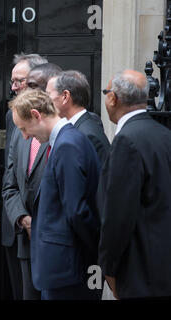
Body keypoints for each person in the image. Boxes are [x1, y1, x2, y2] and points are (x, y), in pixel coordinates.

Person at [9, 89, 101, 300]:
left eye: (24, 128)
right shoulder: (65, 141)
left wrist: (94, 253)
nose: (24, 136)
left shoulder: (67, 145)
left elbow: (77, 210)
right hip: (65, 266)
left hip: (69, 268)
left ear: (36, 114)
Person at [98, 70, 171, 300]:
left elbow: (118, 216)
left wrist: (108, 268)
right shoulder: (164, 134)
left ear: (113, 98)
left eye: (106, 92)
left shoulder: (126, 141)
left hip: (140, 272)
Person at [2, 58, 61, 300]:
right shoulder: (15, 122)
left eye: (23, 82)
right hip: (23, 235)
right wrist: (23, 219)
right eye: (13, 82)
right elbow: (10, 181)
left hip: (55, 241)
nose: (16, 87)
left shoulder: (68, 132)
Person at [46, 70, 110, 164]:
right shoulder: (77, 129)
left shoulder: (88, 135)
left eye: (48, 94)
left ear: (65, 96)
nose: (45, 100)